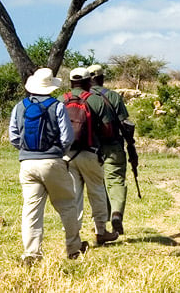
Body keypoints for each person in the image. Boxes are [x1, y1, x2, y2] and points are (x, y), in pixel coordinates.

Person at [9, 67, 86, 264]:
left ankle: (31, 254)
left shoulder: (20, 106)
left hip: (27, 163)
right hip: (52, 161)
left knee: (31, 210)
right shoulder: (57, 106)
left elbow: (13, 137)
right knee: (67, 205)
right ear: (50, 87)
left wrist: (26, 150)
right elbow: (67, 136)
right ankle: (74, 248)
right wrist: (58, 152)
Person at [63, 67, 119, 247]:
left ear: (71, 83)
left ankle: (73, 236)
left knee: (74, 196)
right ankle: (100, 231)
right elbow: (108, 130)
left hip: (67, 155)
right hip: (90, 152)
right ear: (88, 82)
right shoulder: (95, 100)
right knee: (97, 192)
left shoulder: (60, 100)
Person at [87, 64, 137, 235]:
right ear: (102, 78)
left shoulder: (84, 98)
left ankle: (101, 225)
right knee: (115, 181)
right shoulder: (113, 96)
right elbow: (125, 123)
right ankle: (116, 213)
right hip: (113, 146)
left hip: (90, 149)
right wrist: (131, 147)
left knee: (97, 185)